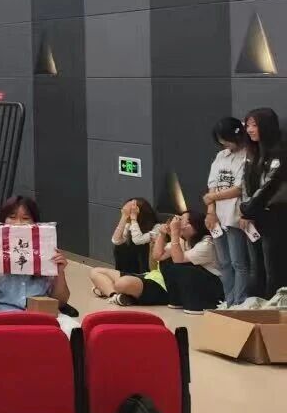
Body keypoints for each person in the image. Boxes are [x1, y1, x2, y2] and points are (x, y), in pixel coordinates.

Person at [88, 213, 223, 310]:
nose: (180, 224)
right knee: (95, 272)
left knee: (122, 283)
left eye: (184, 222)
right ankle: (115, 295)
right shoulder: (182, 241)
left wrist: (174, 234)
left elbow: (179, 260)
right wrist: (162, 234)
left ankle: (113, 290)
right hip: (152, 276)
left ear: (196, 226)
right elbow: (157, 256)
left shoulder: (206, 244)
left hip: (167, 286)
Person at [0, 196, 69, 315]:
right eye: (12, 217)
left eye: (26, 218)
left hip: (41, 315)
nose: (19, 223)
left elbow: (61, 302)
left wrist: (60, 272)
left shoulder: (47, 251)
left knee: (72, 325)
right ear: (3, 221)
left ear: (35, 223)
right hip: (2, 315)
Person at [204, 117, 254, 305]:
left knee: (238, 262)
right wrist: (210, 211)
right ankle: (228, 300)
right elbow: (212, 184)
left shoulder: (248, 155)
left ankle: (239, 302)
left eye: (226, 140)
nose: (224, 144)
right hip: (217, 216)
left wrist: (212, 197)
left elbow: (240, 188)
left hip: (235, 215)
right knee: (224, 263)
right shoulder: (221, 156)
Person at [240, 108, 286, 299]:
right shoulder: (252, 153)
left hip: (274, 215)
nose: (250, 129)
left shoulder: (279, 153)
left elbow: (270, 185)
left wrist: (248, 210)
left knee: (273, 267)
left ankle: (273, 306)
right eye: (247, 125)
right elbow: (245, 183)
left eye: (254, 125)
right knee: (256, 266)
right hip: (253, 217)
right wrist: (246, 211)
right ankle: (255, 303)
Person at [110, 198, 157, 276]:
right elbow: (116, 240)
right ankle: (123, 275)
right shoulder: (130, 224)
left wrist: (133, 219)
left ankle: (137, 277)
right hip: (132, 266)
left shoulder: (157, 228)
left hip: (146, 268)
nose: (127, 213)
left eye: (129, 211)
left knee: (141, 247)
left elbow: (138, 240)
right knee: (121, 246)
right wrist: (123, 217)